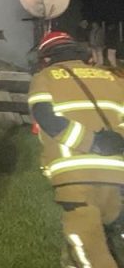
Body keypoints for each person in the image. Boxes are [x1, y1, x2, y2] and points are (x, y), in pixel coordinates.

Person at [29, 31, 124, 268]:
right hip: (116, 173)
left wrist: (92, 142)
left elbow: (47, 119)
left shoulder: (44, 78)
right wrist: (115, 141)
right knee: (92, 231)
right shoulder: (112, 78)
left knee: (91, 249)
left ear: (46, 58)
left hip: (74, 175)